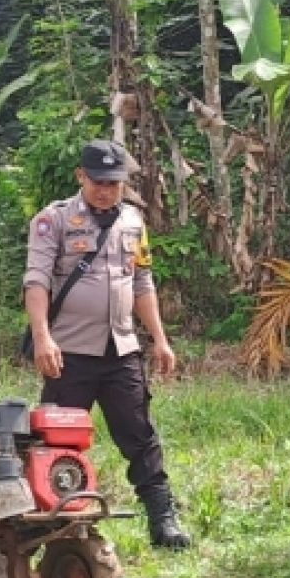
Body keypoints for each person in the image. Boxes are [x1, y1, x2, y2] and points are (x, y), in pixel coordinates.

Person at [23, 139, 190, 549]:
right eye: (98, 181)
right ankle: (54, 521)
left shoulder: (133, 222)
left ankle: (162, 518)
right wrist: (42, 337)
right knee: (58, 439)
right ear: (81, 176)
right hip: (69, 352)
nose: (106, 190)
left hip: (121, 348)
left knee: (139, 433)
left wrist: (160, 340)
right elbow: (37, 281)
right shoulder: (53, 220)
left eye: (114, 183)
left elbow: (141, 282)